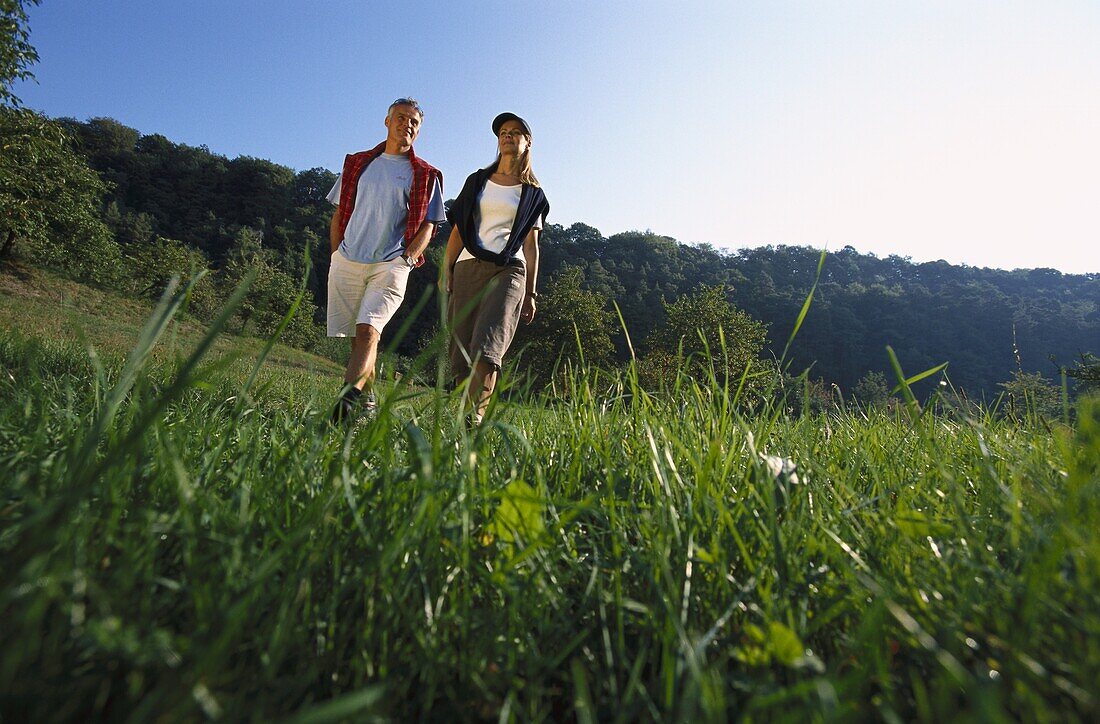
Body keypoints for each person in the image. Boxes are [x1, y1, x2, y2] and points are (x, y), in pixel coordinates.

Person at [326, 98, 444, 423]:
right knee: (358, 341)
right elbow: (338, 213)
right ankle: (369, 403)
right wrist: (337, 253)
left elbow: (430, 225)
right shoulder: (358, 163)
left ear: (419, 131)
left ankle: (342, 410)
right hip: (348, 259)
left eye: (414, 122)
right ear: (387, 121)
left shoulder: (425, 174)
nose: (407, 124)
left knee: (368, 331)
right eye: (401, 117)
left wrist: (406, 259)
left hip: (391, 264)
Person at [441, 112, 550, 425]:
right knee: (460, 348)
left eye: (516, 132)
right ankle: (464, 412)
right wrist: (446, 269)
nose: (508, 136)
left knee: (488, 342)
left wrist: (531, 292)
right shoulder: (477, 182)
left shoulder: (533, 195)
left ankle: (474, 416)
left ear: (527, 143)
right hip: (467, 266)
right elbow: (459, 230)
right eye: (503, 131)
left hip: (509, 269)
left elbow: (531, 246)